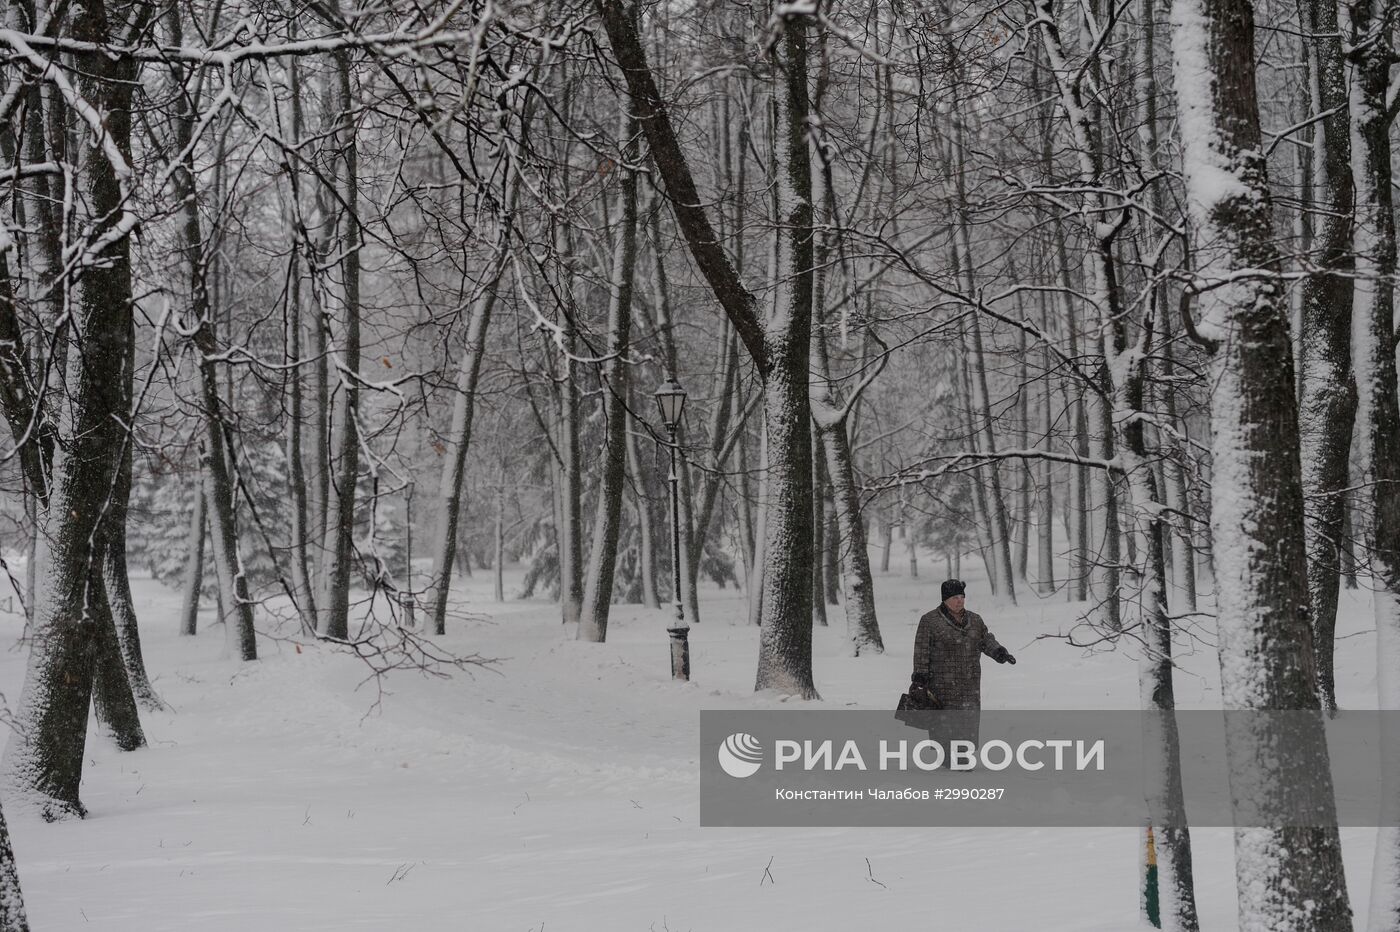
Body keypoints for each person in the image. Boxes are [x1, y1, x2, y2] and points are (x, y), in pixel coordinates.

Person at [909, 579, 1016, 758]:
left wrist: (999, 652)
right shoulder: (930, 621)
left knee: (968, 720)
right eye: (954, 597)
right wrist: (919, 678)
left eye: (962, 597)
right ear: (945, 599)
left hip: (969, 683)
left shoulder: (975, 620)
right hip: (943, 683)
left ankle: (963, 754)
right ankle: (948, 756)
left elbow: (986, 640)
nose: (959, 601)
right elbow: (921, 651)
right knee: (945, 720)